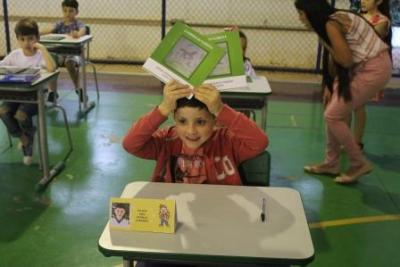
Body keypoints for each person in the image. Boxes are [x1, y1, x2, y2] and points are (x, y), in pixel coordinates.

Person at [296, 0, 392, 183]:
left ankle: (359, 163)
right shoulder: (332, 21)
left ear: (310, 12)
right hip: (356, 69)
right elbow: (339, 62)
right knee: (332, 111)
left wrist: (329, 47)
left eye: (301, 13)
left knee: (333, 115)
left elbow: (345, 59)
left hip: (372, 68)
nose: (300, 18)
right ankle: (332, 163)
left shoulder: (332, 23)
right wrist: (330, 85)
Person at [122, 81, 268, 185]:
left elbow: (260, 142)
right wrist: (163, 109)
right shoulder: (166, 141)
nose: (191, 131)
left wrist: (221, 109)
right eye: (182, 121)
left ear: (215, 121)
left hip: (221, 211)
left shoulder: (227, 141)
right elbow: (130, 144)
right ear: (174, 119)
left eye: (200, 122)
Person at [0, 18, 56, 165]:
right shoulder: (15, 55)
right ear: (18, 40)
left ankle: (28, 146)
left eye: (31, 38)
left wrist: (43, 49)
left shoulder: (40, 55)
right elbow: (2, 67)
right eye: (22, 39)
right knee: (3, 111)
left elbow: (51, 69)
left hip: (35, 97)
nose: (26, 42)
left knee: (21, 114)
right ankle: (25, 138)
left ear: (37, 38)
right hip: (16, 95)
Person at [351, 0, 392, 150]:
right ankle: (348, 140)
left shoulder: (382, 21)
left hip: (368, 67)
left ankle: (357, 142)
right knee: (347, 103)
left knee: (358, 105)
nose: (362, 1)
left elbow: (368, 40)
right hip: (353, 64)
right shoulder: (357, 16)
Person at [40, 0, 87, 102]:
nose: (67, 13)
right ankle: (52, 91)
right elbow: (50, 29)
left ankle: (78, 89)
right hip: (60, 53)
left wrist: (78, 34)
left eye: (71, 11)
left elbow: (83, 30)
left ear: (76, 12)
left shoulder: (78, 23)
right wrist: (37, 33)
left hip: (75, 54)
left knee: (69, 62)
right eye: (65, 11)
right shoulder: (60, 24)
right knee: (50, 63)